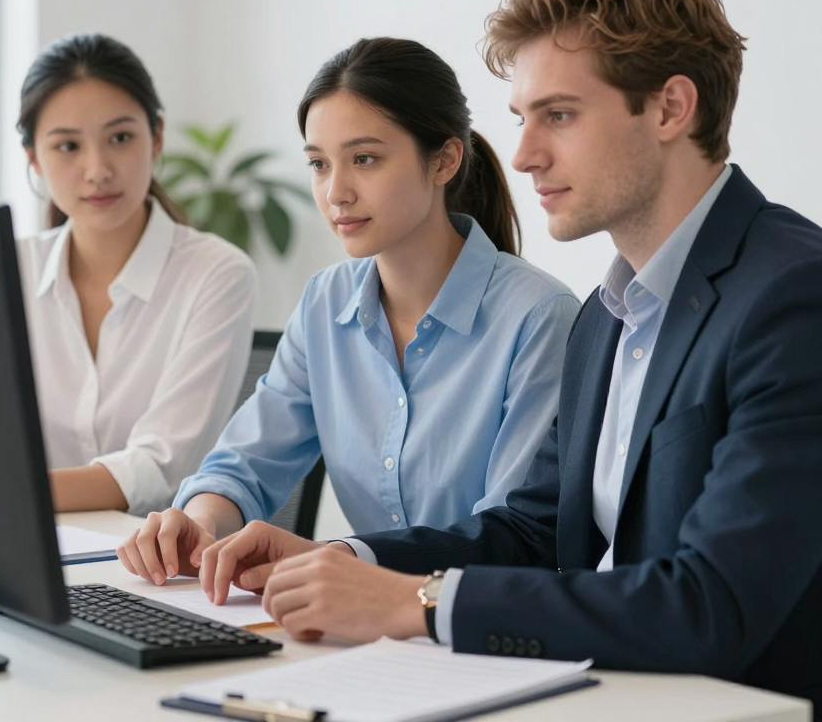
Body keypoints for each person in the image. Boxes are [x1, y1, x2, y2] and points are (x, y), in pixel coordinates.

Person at [195, 0, 822, 711]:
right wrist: (343, 557)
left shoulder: (791, 298)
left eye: (558, 115)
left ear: (668, 110)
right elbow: (529, 530)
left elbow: (710, 604)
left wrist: (419, 604)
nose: (523, 154)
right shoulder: (607, 316)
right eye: (523, 118)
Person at [117, 37, 579, 585]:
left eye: (365, 159)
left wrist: (340, 557)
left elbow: (513, 536)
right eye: (318, 164)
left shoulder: (539, 318)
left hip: (481, 628)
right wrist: (199, 524)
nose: (336, 192)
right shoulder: (325, 303)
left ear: (444, 159)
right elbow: (244, 464)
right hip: (362, 627)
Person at [16, 33, 256, 514]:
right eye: (67, 146)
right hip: (26, 552)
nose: (98, 169)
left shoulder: (216, 274)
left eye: (120, 138)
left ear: (157, 137)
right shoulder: (10, 269)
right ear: (34, 159)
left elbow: (159, 468)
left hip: (157, 568)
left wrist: (2, 495)